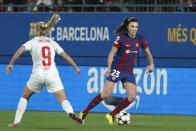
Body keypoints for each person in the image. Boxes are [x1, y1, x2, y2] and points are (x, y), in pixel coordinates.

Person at [6, 13, 83, 127]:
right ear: (46, 31)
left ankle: (16, 121)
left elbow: (20, 50)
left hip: (37, 74)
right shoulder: (51, 42)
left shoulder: (32, 42)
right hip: (52, 74)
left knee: (24, 97)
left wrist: (11, 64)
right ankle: (71, 113)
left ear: (36, 31)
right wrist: (75, 67)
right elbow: (64, 54)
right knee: (63, 99)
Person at [80, 17, 154, 125]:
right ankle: (84, 112)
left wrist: (151, 64)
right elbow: (111, 53)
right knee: (105, 94)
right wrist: (109, 67)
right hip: (117, 70)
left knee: (132, 96)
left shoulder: (140, 39)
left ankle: (111, 114)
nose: (134, 29)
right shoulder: (121, 38)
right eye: (132, 26)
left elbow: (148, 52)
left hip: (128, 72)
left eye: (136, 27)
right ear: (128, 27)